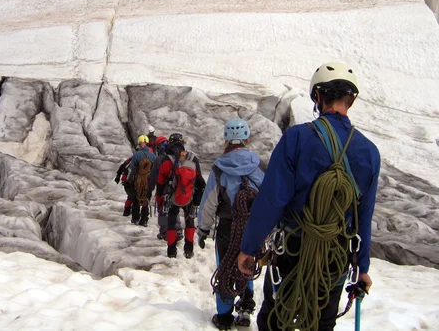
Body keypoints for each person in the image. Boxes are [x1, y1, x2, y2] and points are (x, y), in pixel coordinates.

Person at [237, 62, 381, 331]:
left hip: (292, 249)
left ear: (318, 96)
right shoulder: (369, 152)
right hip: (335, 255)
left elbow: (272, 199)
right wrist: (361, 265)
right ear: (351, 100)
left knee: (275, 318)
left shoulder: (297, 138)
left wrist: (250, 247)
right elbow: (364, 214)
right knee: (322, 322)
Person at [197, 118, 265, 330]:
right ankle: (245, 309)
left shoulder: (220, 167)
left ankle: (224, 315)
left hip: (228, 226)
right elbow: (269, 197)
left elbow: (209, 202)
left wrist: (203, 229)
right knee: (247, 265)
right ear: (246, 138)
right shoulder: (259, 164)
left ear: (226, 139)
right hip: (252, 226)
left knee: (226, 267)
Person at [155, 133, 206, 258]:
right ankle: (189, 249)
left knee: (171, 221)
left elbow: (160, 183)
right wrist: (197, 200)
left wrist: (160, 198)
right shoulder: (192, 158)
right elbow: (200, 181)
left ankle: (171, 250)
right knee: (189, 221)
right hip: (190, 195)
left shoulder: (166, 160)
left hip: (172, 197)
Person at [148, 135, 183, 241]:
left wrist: (149, 191)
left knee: (162, 210)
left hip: (164, 188)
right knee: (174, 209)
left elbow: (154, 176)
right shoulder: (179, 156)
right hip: (179, 188)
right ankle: (178, 230)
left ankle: (164, 231)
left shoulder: (160, 159)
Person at [127, 135, 156, 226]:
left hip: (138, 180)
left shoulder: (136, 155)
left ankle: (135, 218)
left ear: (140, 144)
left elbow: (131, 168)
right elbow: (155, 169)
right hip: (149, 180)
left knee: (136, 198)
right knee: (146, 198)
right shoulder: (153, 155)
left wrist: (129, 179)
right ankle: (144, 220)